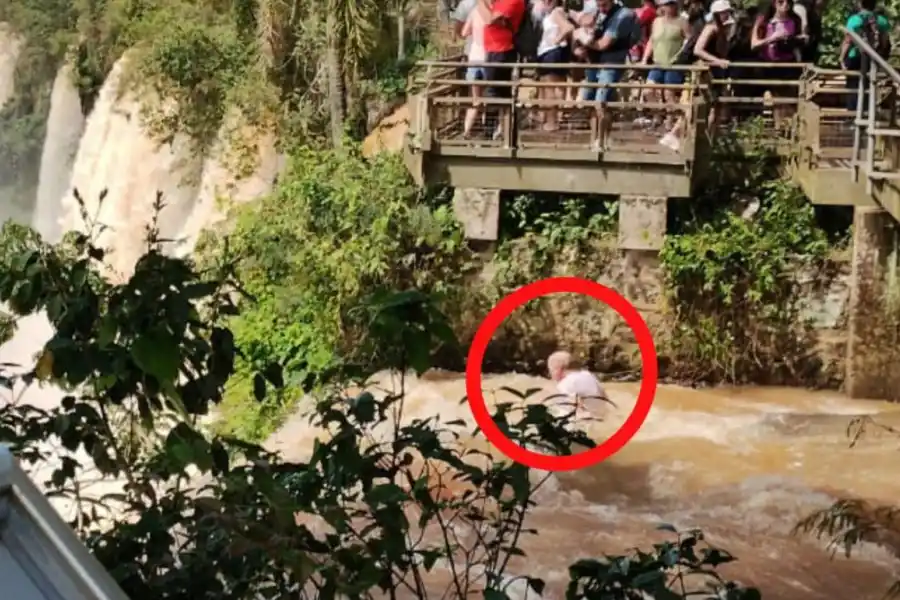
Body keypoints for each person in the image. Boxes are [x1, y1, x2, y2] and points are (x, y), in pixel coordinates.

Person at [580, 0, 641, 151]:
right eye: (599, 5)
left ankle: (602, 140)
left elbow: (604, 43)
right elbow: (582, 25)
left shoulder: (624, 15)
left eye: (604, 5)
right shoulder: (596, 12)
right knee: (589, 101)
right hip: (593, 63)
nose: (601, 9)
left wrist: (584, 39)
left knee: (601, 101)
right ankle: (594, 139)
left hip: (611, 63)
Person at [475, 0, 527, 141]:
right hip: (495, 50)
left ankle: (490, 134)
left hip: (501, 51)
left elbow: (488, 19)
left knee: (493, 93)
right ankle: (505, 135)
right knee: (500, 94)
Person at [642, 0, 691, 125]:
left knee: (669, 93)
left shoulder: (682, 22)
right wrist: (644, 58)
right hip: (657, 62)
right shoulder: (656, 21)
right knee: (648, 91)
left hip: (673, 63)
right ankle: (657, 114)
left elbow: (689, 40)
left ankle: (670, 120)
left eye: (671, 4)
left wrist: (681, 56)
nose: (668, 7)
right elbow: (652, 40)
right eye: (666, 4)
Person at [840, 0, 891, 113]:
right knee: (870, 83)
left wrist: (842, 58)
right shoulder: (881, 20)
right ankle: (868, 112)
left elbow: (847, 41)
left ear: (860, 4)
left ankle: (852, 113)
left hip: (855, 56)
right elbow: (885, 41)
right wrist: (881, 56)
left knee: (853, 85)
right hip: (873, 57)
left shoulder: (854, 20)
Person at [694, 0, 735, 133]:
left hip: (716, 72)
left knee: (715, 106)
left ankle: (709, 135)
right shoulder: (710, 28)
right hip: (707, 71)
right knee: (704, 105)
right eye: (723, 12)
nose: (726, 15)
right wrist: (717, 61)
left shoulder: (722, 30)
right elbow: (698, 50)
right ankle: (677, 134)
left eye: (727, 12)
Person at [535, 0, 575, 130]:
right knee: (555, 88)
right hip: (552, 53)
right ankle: (554, 119)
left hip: (551, 53)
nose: (546, 1)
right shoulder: (553, 13)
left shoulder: (556, 12)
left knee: (550, 89)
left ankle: (551, 122)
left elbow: (568, 28)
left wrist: (556, 41)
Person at [547, 351, 612, 416]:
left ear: (558, 369)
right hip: (600, 413)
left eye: (551, 370)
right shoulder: (588, 375)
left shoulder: (566, 383)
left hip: (586, 417)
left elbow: (576, 406)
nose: (551, 374)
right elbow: (604, 396)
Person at [461, 2, 489, 137]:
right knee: (488, 95)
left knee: (475, 99)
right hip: (487, 58)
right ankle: (486, 127)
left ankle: (467, 130)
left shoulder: (474, 12)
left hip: (473, 58)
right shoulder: (490, 13)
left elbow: (464, 32)